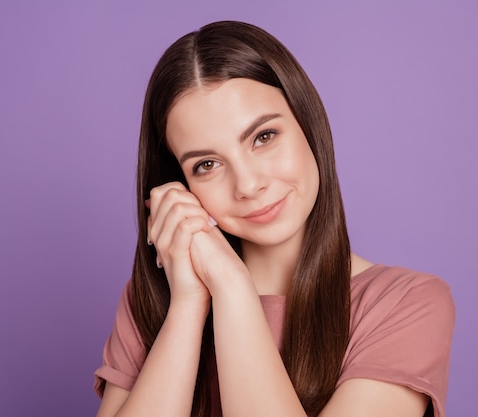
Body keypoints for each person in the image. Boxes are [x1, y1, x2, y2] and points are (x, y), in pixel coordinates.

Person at [93, 20, 455, 417]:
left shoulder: (403, 303)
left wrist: (232, 289)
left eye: (263, 137)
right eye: (207, 164)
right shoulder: (155, 298)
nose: (248, 184)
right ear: (180, 186)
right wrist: (189, 304)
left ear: (308, 122)